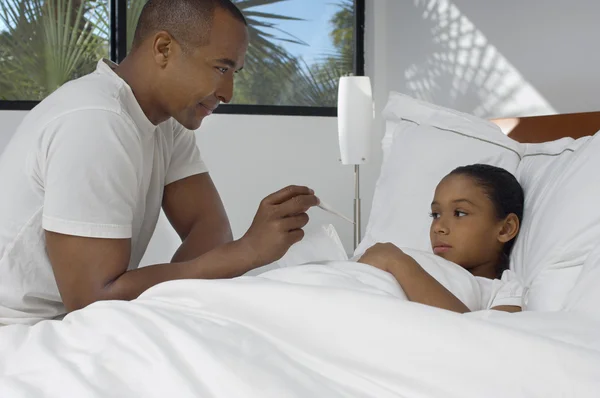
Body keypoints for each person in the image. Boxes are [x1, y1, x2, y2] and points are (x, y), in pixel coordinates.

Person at [0, 0, 318, 325]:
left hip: (69, 324)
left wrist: (215, 267)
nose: (228, 92)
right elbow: (91, 302)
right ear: (163, 48)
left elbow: (210, 228)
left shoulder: (165, 123)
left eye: (234, 73)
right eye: (221, 68)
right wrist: (247, 252)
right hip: (20, 332)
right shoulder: (96, 121)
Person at [359, 164, 525, 313]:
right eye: (436, 214)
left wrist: (397, 262)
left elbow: (483, 340)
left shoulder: (505, 291)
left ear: (505, 229)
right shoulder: (421, 260)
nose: (438, 227)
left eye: (460, 213)